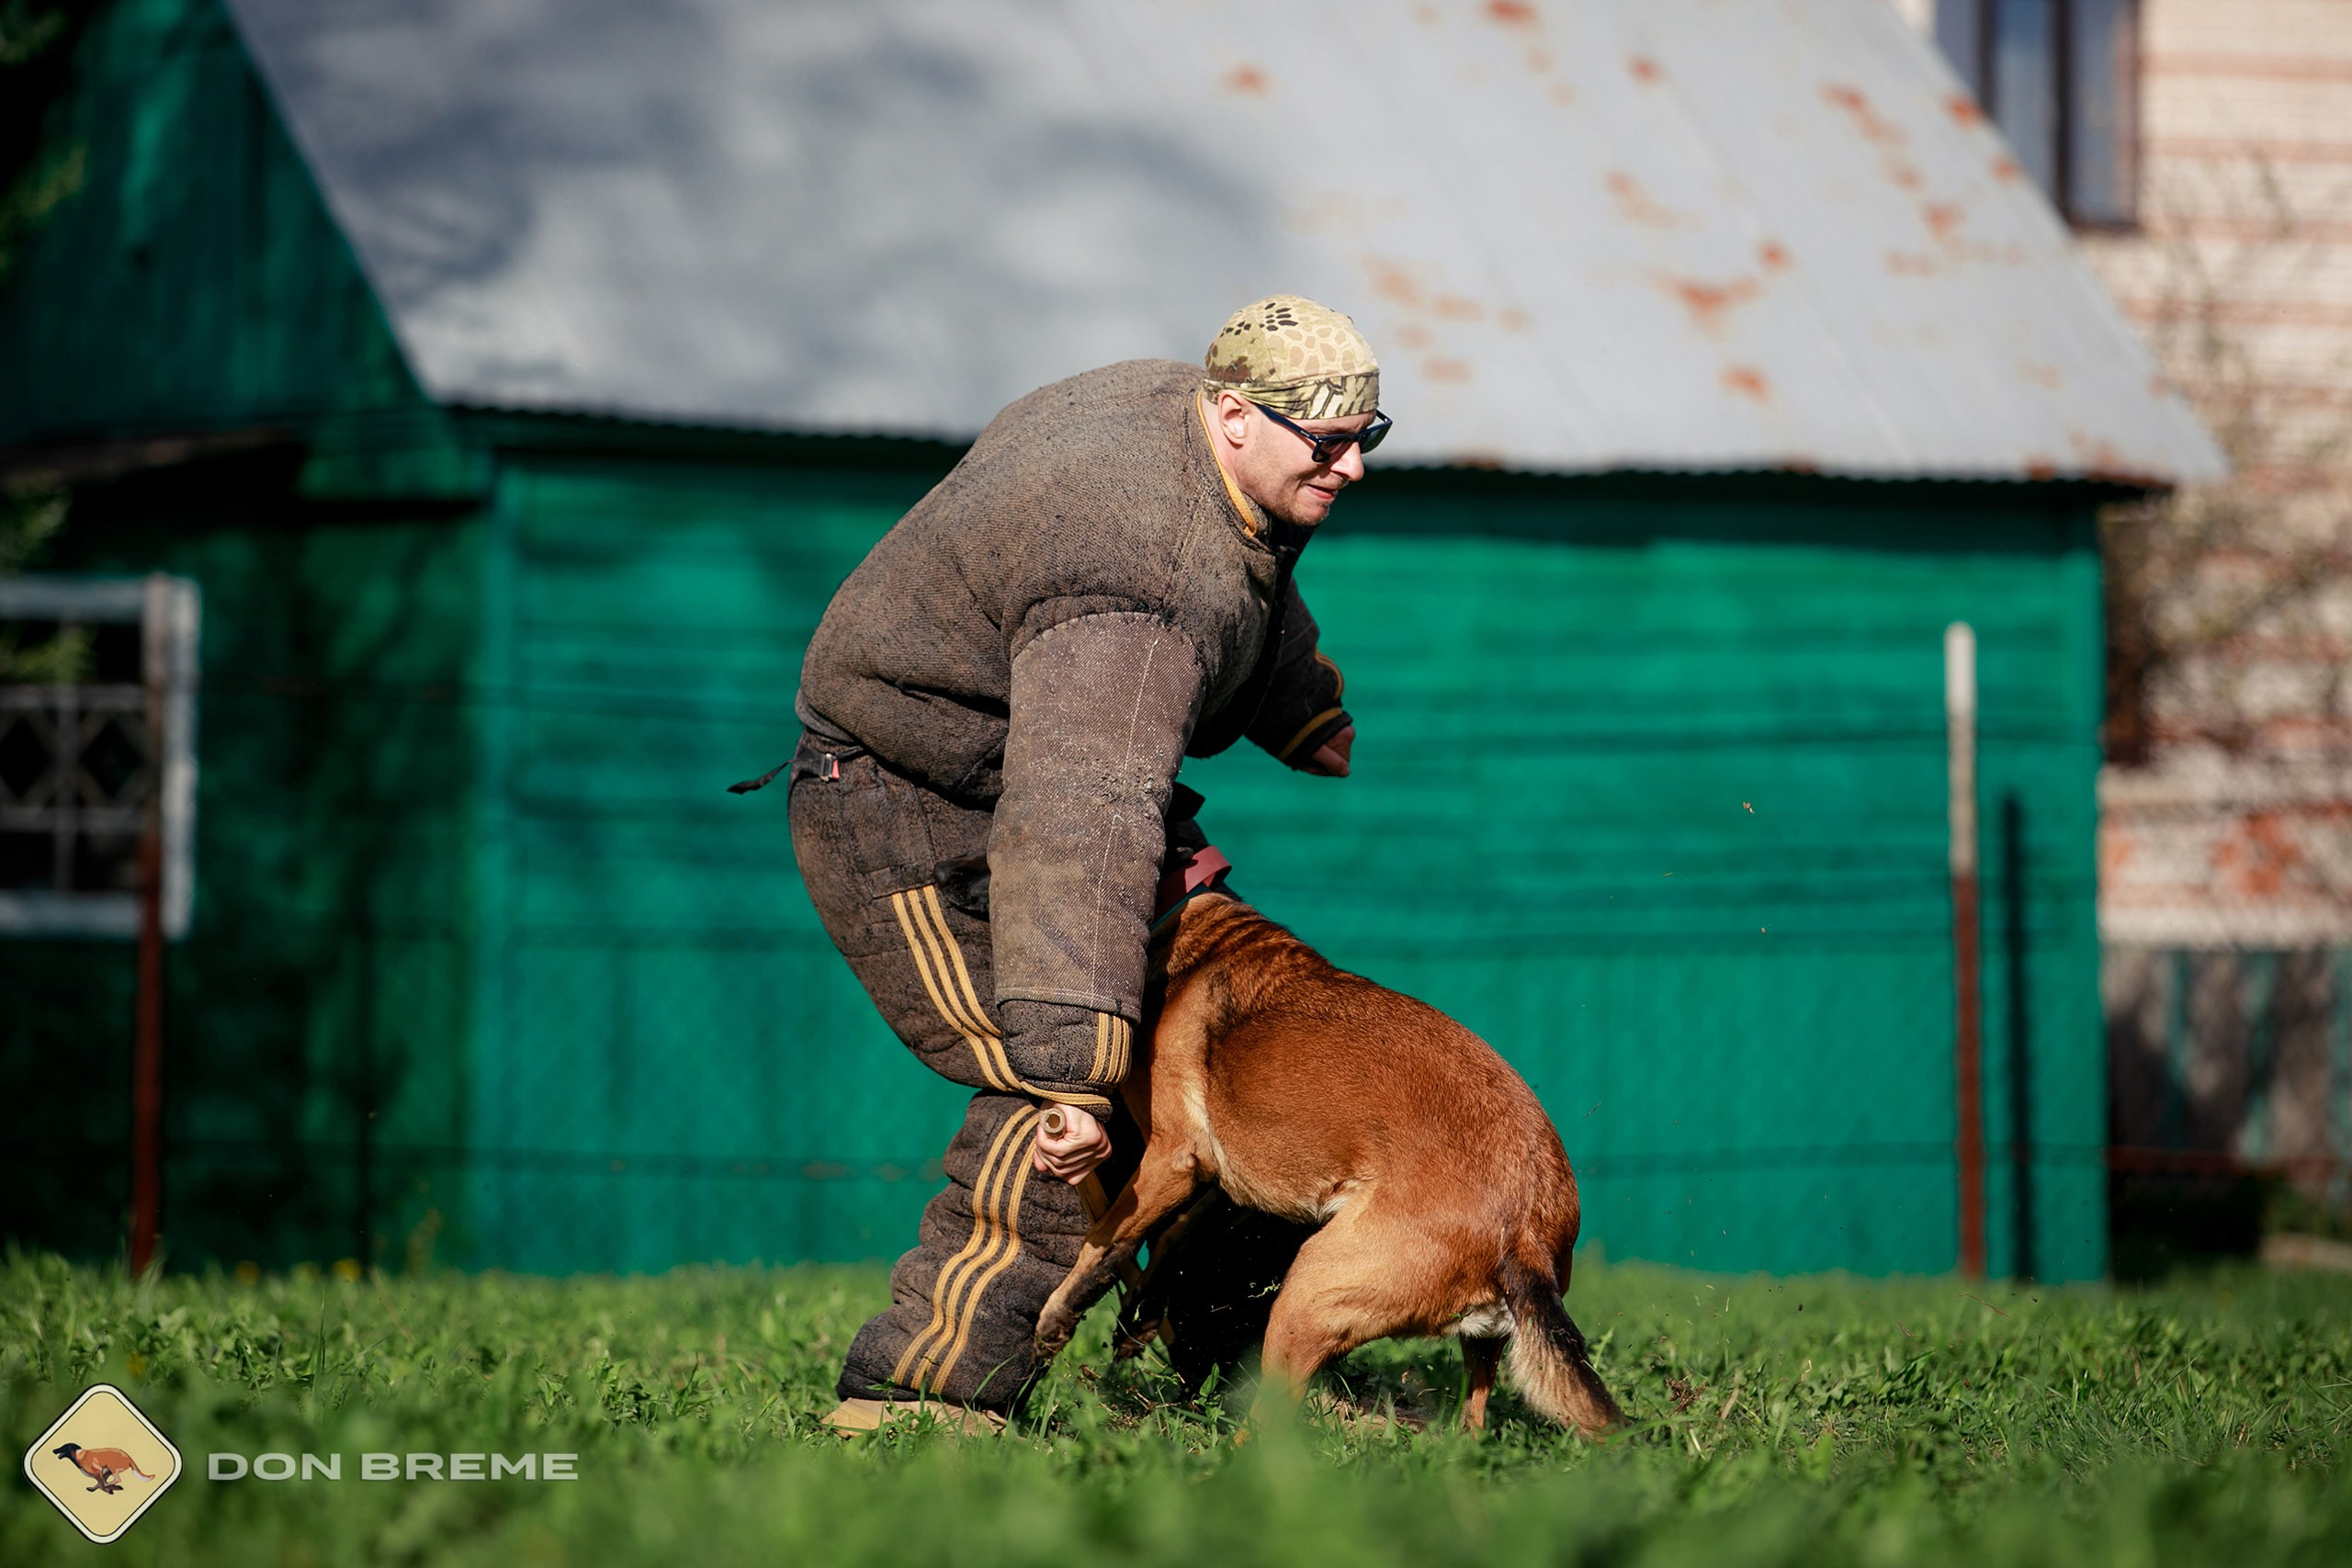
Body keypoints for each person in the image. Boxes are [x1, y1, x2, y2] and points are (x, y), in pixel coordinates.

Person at [776, 295, 1385, 1432]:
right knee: (1053, 1095)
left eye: (1370, 436)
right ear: (1237, 414)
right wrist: (1072, 1060)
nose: (1352, 468)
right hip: (905, 803)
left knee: (1209, 1056)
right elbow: (1085, 821)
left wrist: (1292, 703)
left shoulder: (1173, 415)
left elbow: (1251, 563)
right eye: (1330, 443)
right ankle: (922, 1398)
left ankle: (1253, 1364)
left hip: (1026, 765)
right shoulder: (1137, 591)